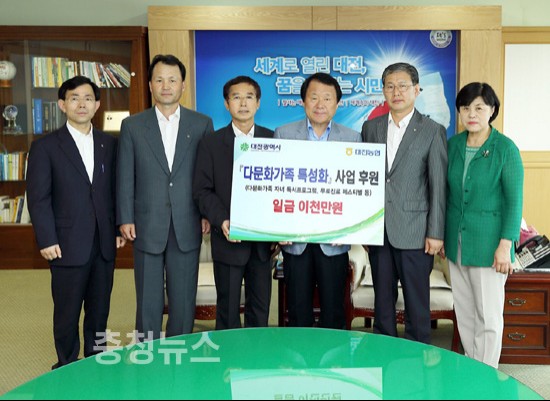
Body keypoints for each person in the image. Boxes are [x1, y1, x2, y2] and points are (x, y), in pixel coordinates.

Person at [26, 76, 125, 368]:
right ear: (62, 104)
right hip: (65, 243)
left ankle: (96, 362)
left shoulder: (110, 144)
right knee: (67, 313)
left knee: (99, 310)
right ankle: (67, 364)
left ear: (97, 105)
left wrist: (118, 226)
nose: (81, 104)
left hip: (104, 242)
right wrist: (46, 238)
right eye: (74, 98)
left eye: (88, 98)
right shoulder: (45, 147)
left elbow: (115, 190)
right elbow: (39, 198)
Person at [117, 54, 213, 340]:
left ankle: (179, 349)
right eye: (159, 80)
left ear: (183, 85)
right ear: (150, 85)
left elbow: (207, 176)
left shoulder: (201, 124)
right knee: (148, 297)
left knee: (183, 297)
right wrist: (125, 217)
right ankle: (148, 352)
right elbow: (125, 175)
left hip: (187, 219)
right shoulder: (133, 125)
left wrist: (206, 213)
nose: (166, 86)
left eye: (172, 80)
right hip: (146, 222)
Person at [361, 62, 447, 344]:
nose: (396, 92)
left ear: (416, 90)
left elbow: (437, 185)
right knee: (382, 304)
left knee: (416, 303)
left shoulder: (432, 130)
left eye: (402, 86)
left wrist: (436, 233)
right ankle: (384, 354)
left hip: (416, 232)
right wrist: (364, 229)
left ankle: (417, 356)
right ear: (383, 91)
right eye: (390, 86)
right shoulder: (370, 128)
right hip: (379, 231)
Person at [440, 82, 523, 368]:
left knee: (488, 315)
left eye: (479, 107)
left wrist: (505, 245)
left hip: (490, 245)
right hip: (457, 243)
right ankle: (472, 366)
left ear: (492, 110)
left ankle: (486, 373)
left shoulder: (505, 149)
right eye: (465, 108)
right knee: (464, 312)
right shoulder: (453, 145)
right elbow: (446, 196)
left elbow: (514, 202)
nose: (472, 114)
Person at [274, 72, 361, 329]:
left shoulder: (352, 138)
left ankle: (332, 355)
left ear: (337, 103)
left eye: (327, 98)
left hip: (334, 241)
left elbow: (358, 191)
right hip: (295, 241)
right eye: (313, 97)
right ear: (303, 101)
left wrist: (349, 229)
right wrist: (277, 229)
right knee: (298, 310)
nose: (320, 104)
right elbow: (275, 187)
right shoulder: (283, 134)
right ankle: (300, 356)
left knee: (333, 311)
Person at [193, 76, 274, 330]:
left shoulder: (273, 140)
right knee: (227, 311)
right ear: (227, 104)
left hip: (262, 244)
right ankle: (229, 354)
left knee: (260, 308)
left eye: (249, 97)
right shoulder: (211, 143)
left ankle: (256, 354)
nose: (243, 103)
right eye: (236, 97)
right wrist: (222, 220)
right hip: (228, 240)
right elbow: (203, 190)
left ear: (258, 103)